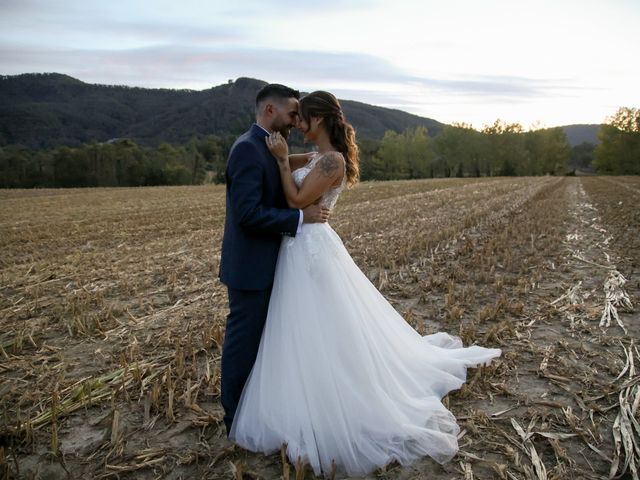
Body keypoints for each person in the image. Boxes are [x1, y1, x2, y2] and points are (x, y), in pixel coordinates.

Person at [229, 91, 501, 476]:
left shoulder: (333, 160)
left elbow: (294, 201)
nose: (298, 125)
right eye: (295, 117)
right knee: (302, 328)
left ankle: (338, 395)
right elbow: (284, 168)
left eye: (303, 118)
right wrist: (274, 156)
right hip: (298, 247)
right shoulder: (318, 157)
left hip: (311, 246)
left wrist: (280, 164)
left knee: (324, 325)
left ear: (319, 120)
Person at [218, 84, 330, 435]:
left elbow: (293, 168)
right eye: (292, 112)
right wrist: (299, 218)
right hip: (250, 268)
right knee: (243, 345)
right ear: (270, 111)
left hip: (273, 263)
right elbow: (247, 213)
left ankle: (260, 409)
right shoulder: (248, 150)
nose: (296, 119)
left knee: (268, 344)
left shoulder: (267, 146)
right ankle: (235, 419)